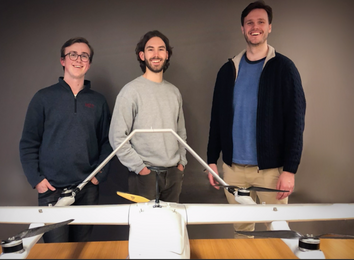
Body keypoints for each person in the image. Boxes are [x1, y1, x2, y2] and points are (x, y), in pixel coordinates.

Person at [206, 0, 306, 237]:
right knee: (242, 232)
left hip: (271, 172)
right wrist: (211, 161)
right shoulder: (228, 70)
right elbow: (216, 119)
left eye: (261, 22)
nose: (255, 27)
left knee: (278, 231)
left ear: (269, 27)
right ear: (242, 28)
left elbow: (296, 121)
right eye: (249, 22)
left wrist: (290, 170)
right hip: (232, 170)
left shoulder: (284, 68)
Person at [19, 37, 112, 243]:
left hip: (87, 189)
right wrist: (36, 180)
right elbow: (28, 142)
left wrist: (99, 175)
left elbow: (107, 141)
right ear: (63, 60)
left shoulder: (98, 101)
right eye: (73, 54)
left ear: (89, 62)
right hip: (52, 190)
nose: (78, 59)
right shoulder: (43, 98)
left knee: (81, 249)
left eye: (84, 55)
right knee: (56, 252)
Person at [109, 30, 187, 203]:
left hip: (173, 175)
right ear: (142, 55)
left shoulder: (174, 92)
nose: (156, 54)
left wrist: (181, 163)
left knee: (170, 228)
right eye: (150, 49)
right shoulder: (130, 91)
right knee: (144, 230)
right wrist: (141, 169)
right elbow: (117, 137)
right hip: (144, 177)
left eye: (161, 49)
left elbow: (180, 133)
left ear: (167, 55)